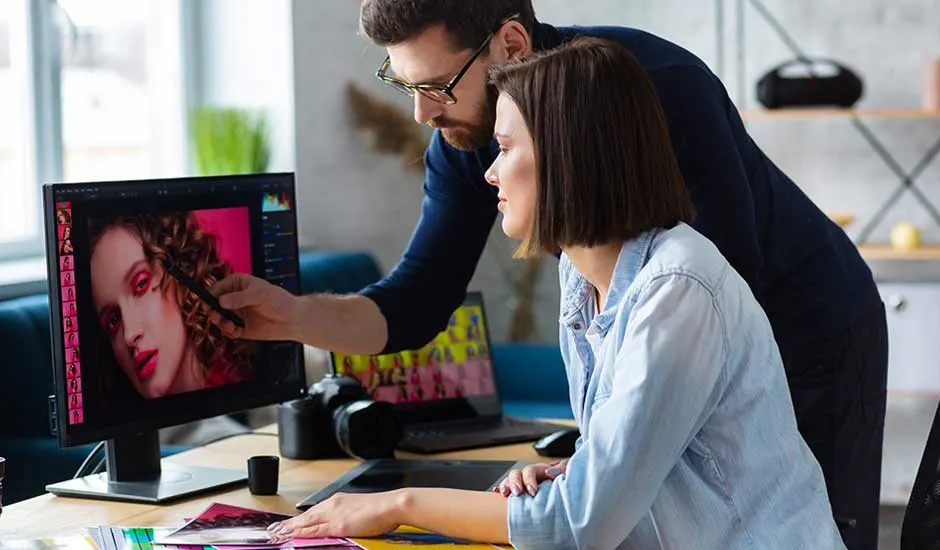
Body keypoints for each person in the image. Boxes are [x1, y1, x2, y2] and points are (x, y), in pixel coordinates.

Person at [211, 2, 886, 547]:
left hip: (807, 324)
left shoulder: (649, 102)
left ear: (509, 43)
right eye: (405, 86)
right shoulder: (556, 241)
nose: (423, 113)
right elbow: (415, 302)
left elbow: (708, 293)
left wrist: (401, 504)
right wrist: (289, 316)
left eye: (436, 86)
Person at [88, 213, 254, 400]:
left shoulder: (248, 390)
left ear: (181, 270)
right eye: (113, 320)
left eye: (141, 284)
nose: (129, 335)